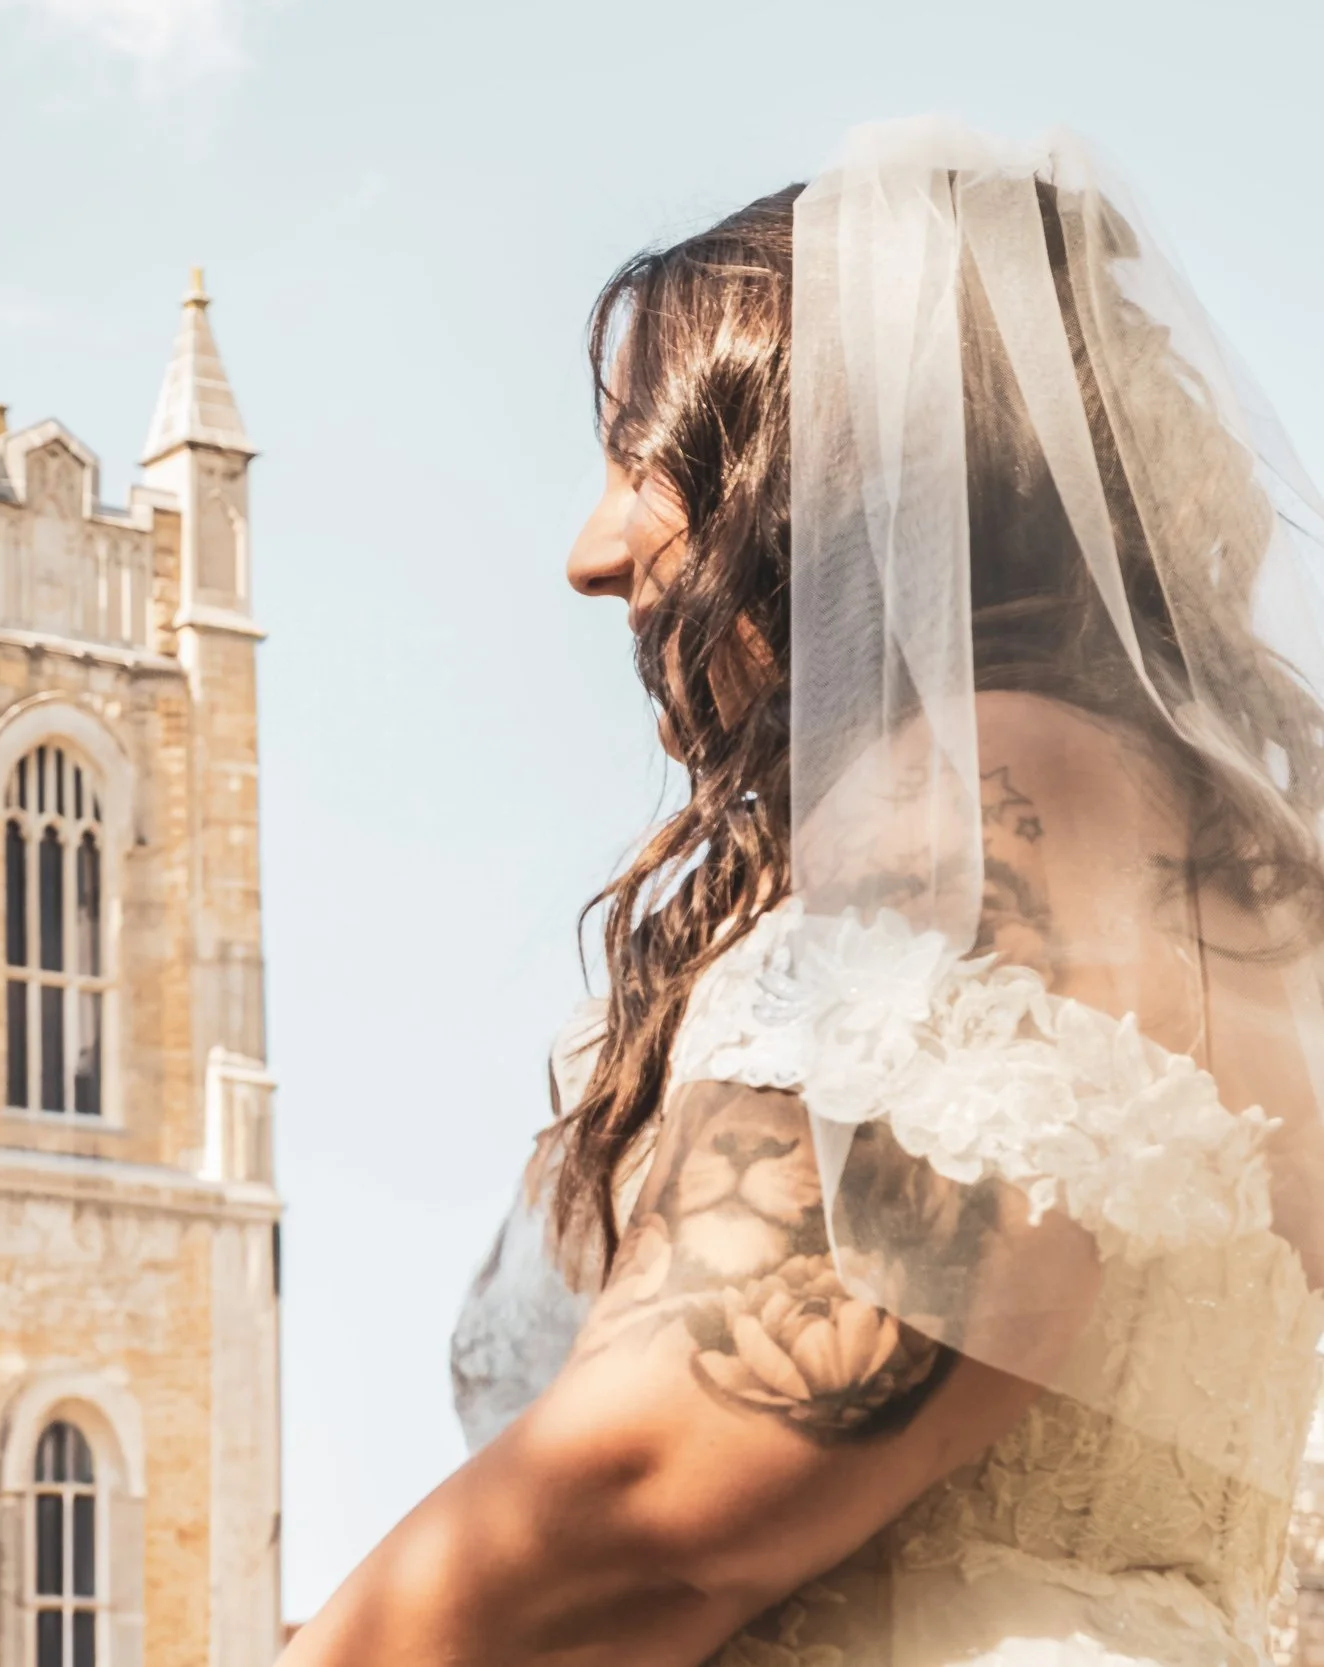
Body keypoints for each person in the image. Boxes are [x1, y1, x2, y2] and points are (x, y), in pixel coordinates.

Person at [296, 119, 1324, 1665]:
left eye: (659, 461)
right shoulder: (1220, 871)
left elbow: (633, 1518)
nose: (595, 552)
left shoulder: (973, 811)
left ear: (848, 486)